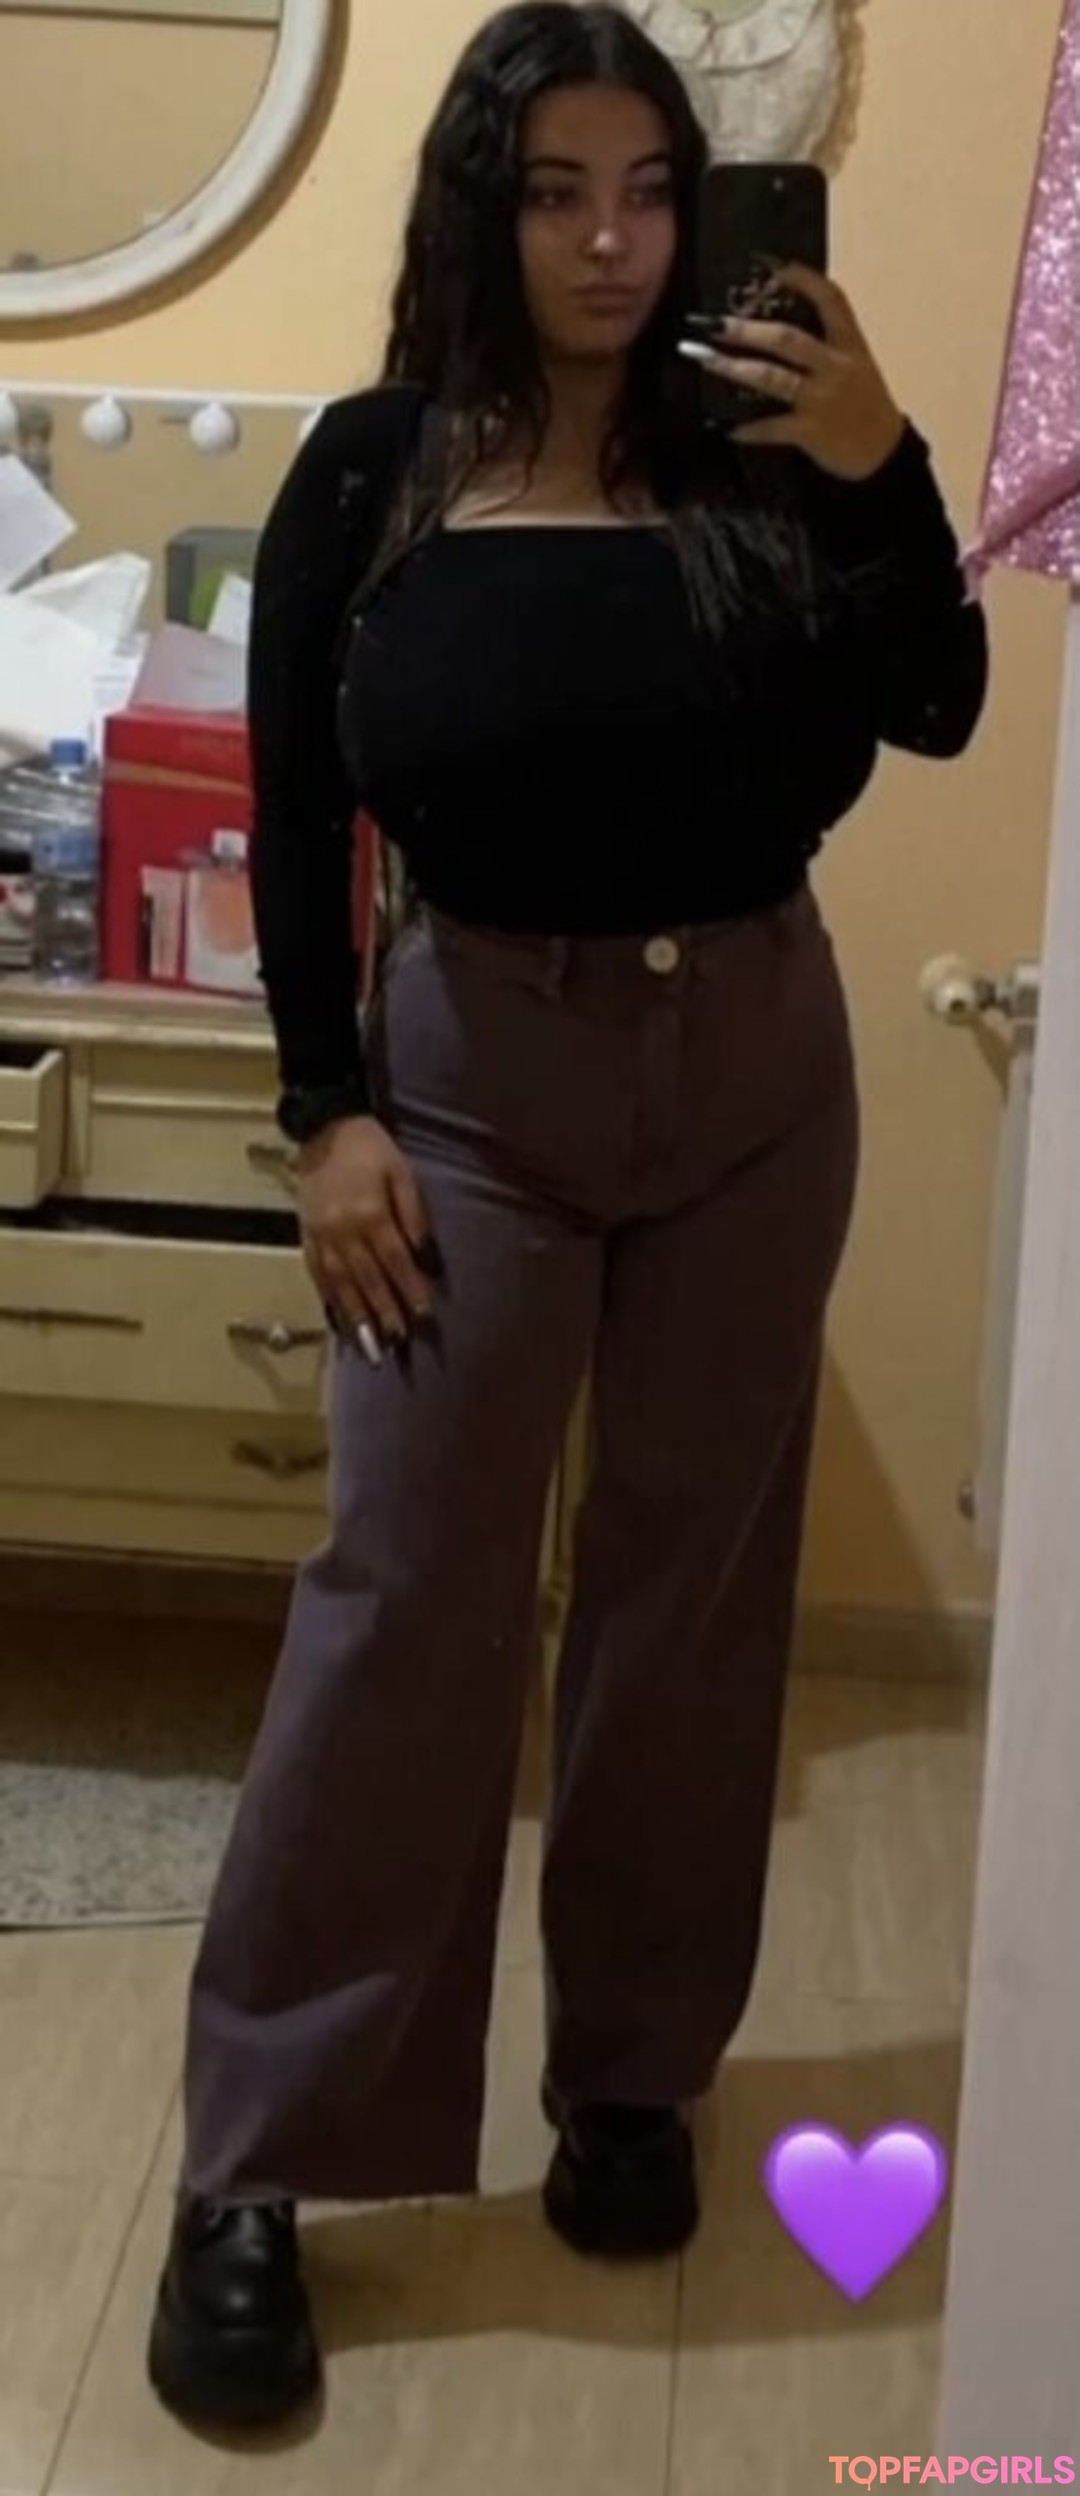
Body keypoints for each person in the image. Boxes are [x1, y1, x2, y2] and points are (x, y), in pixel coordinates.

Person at [147, 0, 988, 2435]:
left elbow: (936, 701)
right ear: (482, 210)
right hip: (470, 1097)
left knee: (689, 1601)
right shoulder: (380, 468)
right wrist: (327, 1115)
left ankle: (631, 2075)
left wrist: (885, 461)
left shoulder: (777, 454)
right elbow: (298, 807)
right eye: (556, 192)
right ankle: (258, 2163)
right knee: (407, 1600)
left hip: (754, 1078)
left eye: (650, 192)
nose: (613, 242)